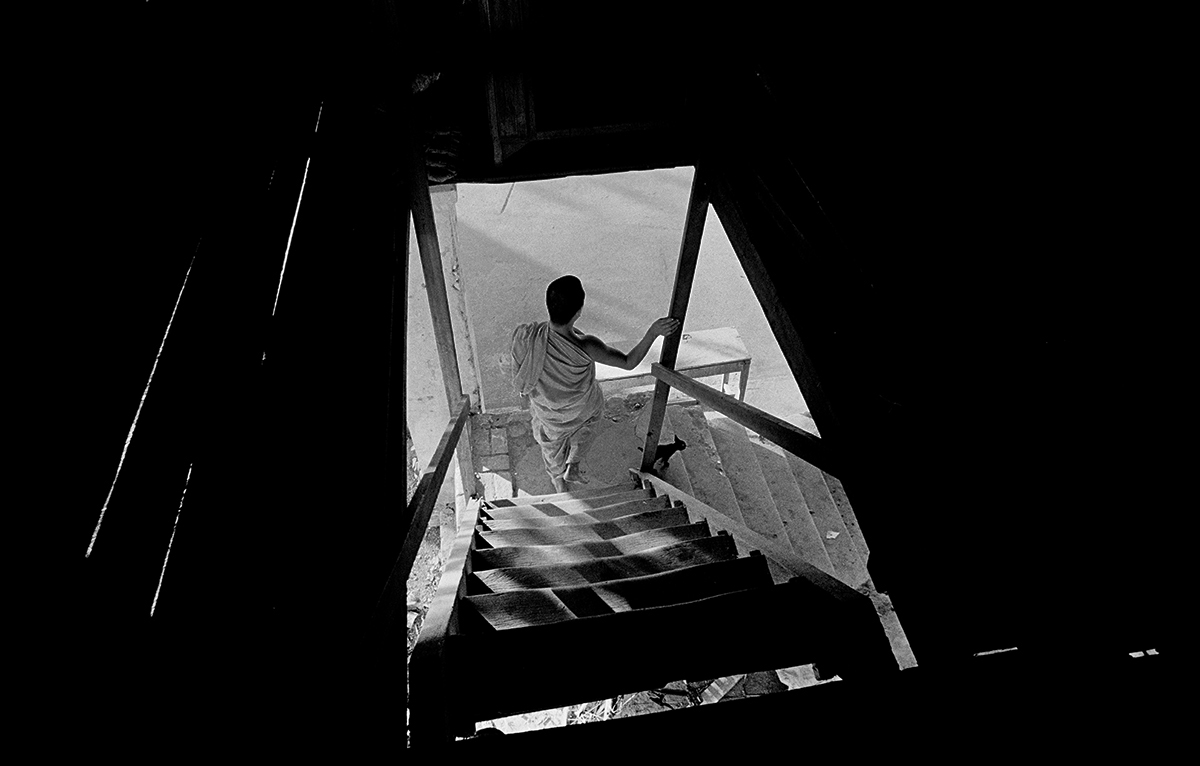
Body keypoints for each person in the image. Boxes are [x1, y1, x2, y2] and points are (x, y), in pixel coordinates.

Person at [512, 275, 681, 493]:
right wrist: (653, 332)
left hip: (549, 412)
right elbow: (629, 362)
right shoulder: (587, 345)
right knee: (587, 428)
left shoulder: (527, 337)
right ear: (579, 311)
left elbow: (519, 373)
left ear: (548, 306)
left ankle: (559, 482)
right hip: (583, 408)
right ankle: (573, 463)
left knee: (552, 445)